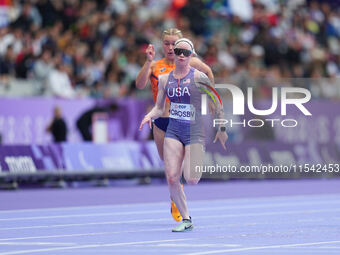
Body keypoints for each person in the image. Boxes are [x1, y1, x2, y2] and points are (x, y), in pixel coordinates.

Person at [139, 38, 228, 232]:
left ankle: (198, 153)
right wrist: (149, 116)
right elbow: (159, 107)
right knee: (172, 177)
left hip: (193, 132)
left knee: (192, 179)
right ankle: (186, 219)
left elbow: (217, 101)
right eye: (178, 51)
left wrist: (221, 128)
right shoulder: (165, 79)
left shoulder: (198, 77)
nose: (180, 55)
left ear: (191, 56)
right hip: (173, 130)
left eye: (185, 53)